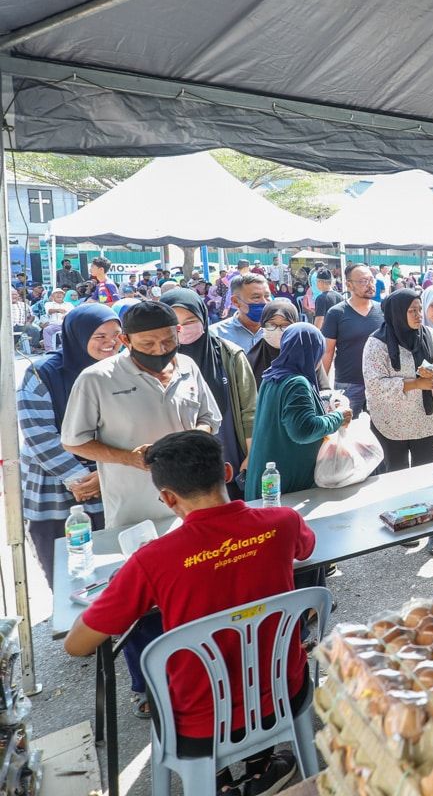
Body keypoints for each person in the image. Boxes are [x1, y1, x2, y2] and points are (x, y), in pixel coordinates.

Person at [64, 430, 314, 796]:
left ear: (167, 498)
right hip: (283, 695)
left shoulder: (151, 561)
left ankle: (219, 779)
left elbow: (77, 645)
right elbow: (306, 549)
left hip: (200, 723)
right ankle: (262, 766)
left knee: (204, 668)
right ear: (227, 472)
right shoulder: (283, 522)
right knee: (251, 648)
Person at [61, 300, 223, 529]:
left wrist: (191, 442)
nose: (160, 350)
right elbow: (73, 442)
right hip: (133, 512)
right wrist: (129, 458)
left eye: (168, 341)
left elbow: (209, 418)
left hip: (193, 505)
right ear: (125, 340)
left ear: (178, 332)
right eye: (147, 344)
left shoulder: (188, 366)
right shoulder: (96, 379)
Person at [18, 305, 119, 583]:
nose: (111, 342)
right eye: (100, 336)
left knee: (113, 573)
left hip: (110, 483)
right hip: (57, 490)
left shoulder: (122, 372)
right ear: (77, 335)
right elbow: (40, 436)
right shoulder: (41, 374)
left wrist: (106, 476)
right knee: (66, 577)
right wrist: (82, 480)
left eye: (117, 334)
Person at [162, 288, 257, 492]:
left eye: (190, 321)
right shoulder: (155, 360)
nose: (183, 329)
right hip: (176, 467)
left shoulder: (230, 355)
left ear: (203, 318)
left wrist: (251, 455)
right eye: (175, 323)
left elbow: (249, 411)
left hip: (230, 458)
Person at [246, 324, 353, 500]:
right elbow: (304, 430)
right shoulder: (296, 383)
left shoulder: (272, 376)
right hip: (287, 484)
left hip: (268, 477)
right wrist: (338, 417)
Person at [363, 289, 433, 474]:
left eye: (419, 310)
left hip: (424, 422)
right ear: (397, 312)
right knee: (395, 477)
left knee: (425, 474)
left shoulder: (430, 336)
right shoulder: (377, 343)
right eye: (412, 311)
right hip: (390, 424)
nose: (419, 316)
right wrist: (415, 384)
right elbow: (374, 384)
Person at [321, 263, 384, 416]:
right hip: (348, 385)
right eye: (363, 281)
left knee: (378, 435)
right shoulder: (336, 313)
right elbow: (327, 352)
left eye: (371, 280)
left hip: (379, 383)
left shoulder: (383, 310)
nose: (370, 285)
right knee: (346, 433)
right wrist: (322, 387)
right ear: (349, 285)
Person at [247, 300, 331, 390]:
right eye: (271, 324)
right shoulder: (251, 361)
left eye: (285, 325)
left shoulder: (306, 357)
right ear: (263, 324)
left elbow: (323, 389)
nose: (278, 330)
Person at [212, 272, 270, 353]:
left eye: (267, 296)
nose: (264, 302)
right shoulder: (216, 335)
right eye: (256, 297)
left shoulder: (279, 330)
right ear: (236, 301)